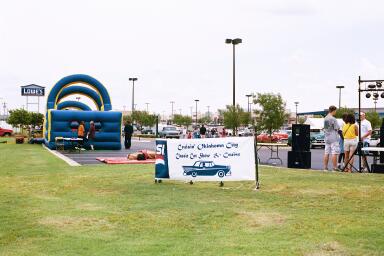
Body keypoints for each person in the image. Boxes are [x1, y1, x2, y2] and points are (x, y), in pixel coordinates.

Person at [323, 105, 341, 171]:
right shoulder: (333, 119)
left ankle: (325, 167)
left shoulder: (326, 118)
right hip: (333, 137)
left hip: (327, 137)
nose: (335, 112)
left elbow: (326, 128)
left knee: (326, 152)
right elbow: (337, 128)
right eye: (335, 111)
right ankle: (335, 167)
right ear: (334, 110)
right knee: (334, 152)